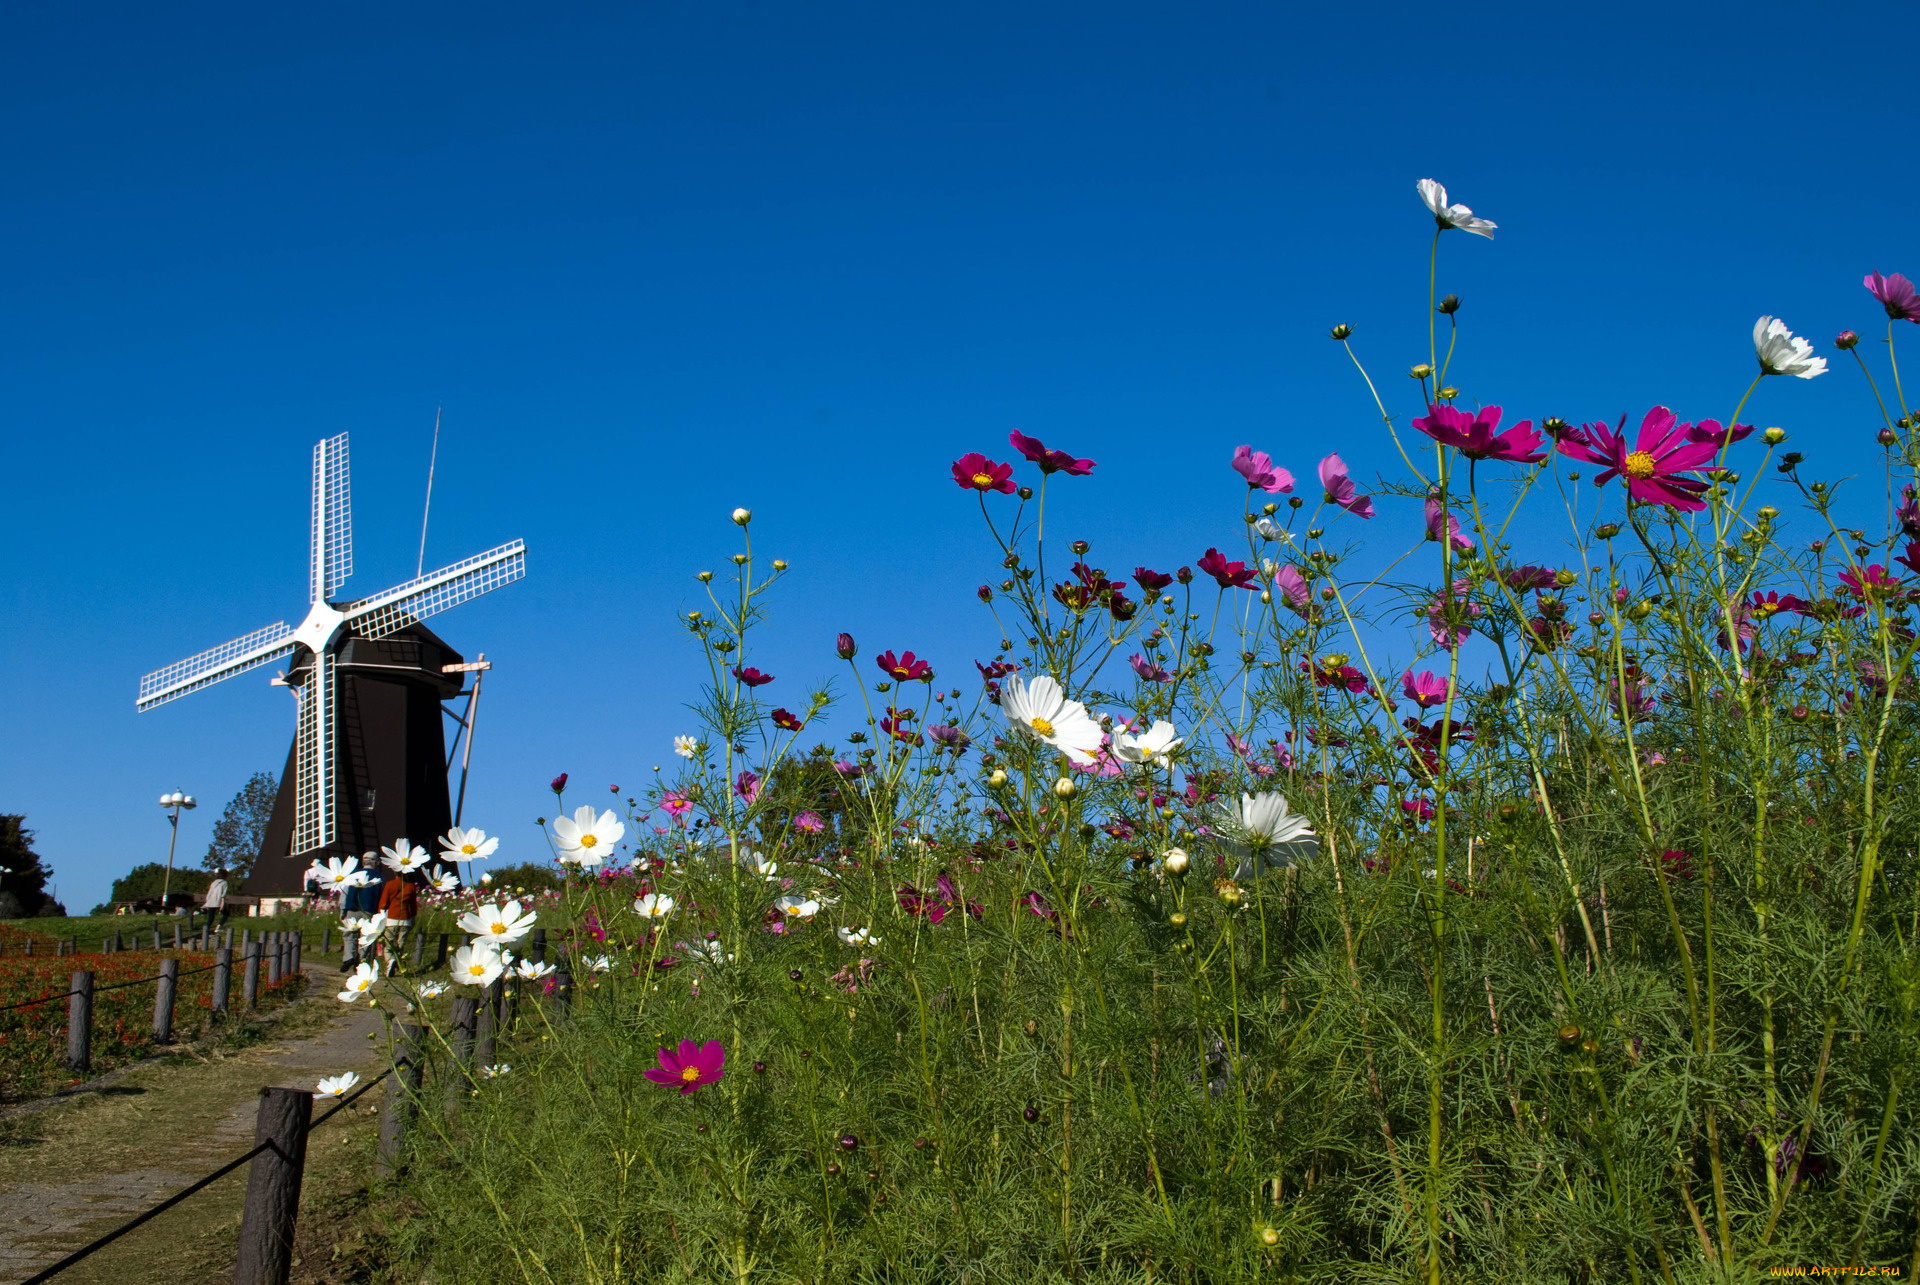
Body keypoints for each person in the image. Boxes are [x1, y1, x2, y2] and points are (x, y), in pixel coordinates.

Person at [340, 856, 381, 972]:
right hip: (368, 909)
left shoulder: (353, 874)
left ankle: (349, 957)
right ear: (374, 862)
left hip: (351, 907)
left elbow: (345, 892)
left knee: (349, 934)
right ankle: (361, 960)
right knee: (366, 936)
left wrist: (343, 909)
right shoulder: (378, 876)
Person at [377, 871, 419, 972]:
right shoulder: (411, 887)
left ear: (395, 873)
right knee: (401, 945)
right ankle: (400, 965)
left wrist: (380, 917)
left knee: (389, 944)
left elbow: (383, 904)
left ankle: (391, 961)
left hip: (391, 918)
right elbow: (413, 906)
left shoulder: (390, 885)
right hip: (405, 919)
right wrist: (412, 917)